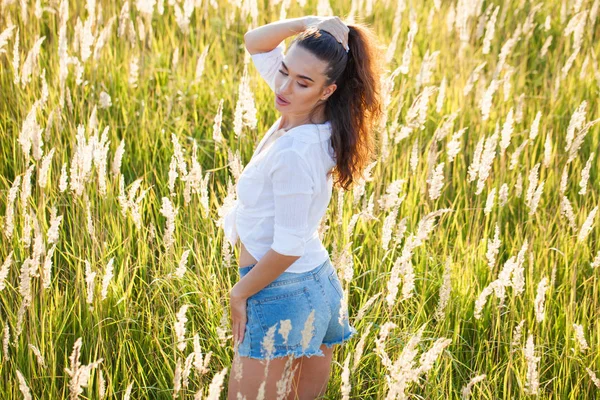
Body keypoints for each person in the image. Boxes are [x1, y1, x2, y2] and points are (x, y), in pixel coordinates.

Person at [223, 15, 384, 399]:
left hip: (280, 293)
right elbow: (255, 41)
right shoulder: (308, 114)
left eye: (302, 82)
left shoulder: (297, 151)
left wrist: (239, 293)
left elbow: (288, 245)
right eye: (284, 71)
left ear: (327, 90)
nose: (284, 86)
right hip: (319, 285)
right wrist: (309, 24)